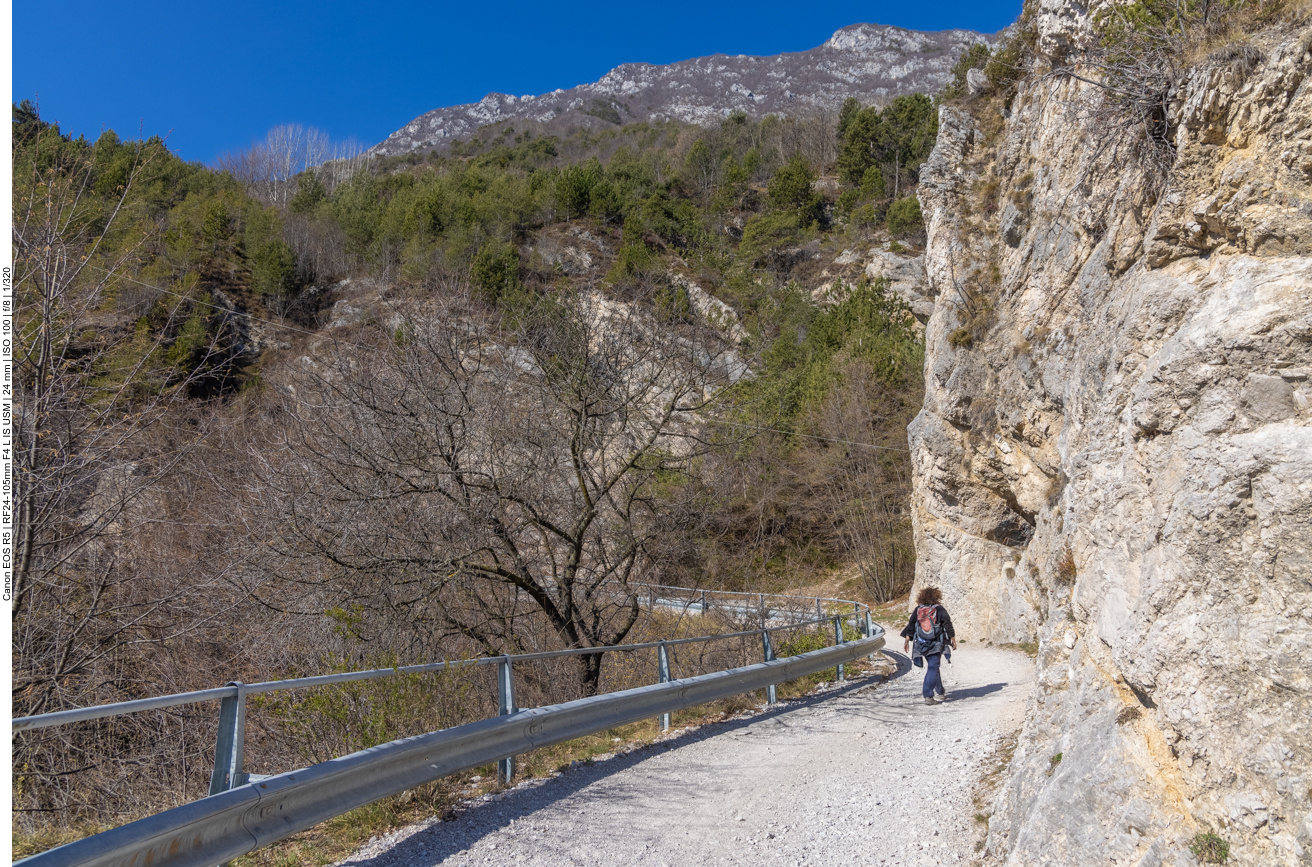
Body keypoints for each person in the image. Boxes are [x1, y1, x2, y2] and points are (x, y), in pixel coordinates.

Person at [901, 587, 957, 705]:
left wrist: (907, 640)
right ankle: (928, 695)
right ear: (937, 597)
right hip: (936, 643)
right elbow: (948, 624)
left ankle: (940, 691)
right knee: (933, 666)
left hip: (922, 643)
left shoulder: (918, 609)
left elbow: (911, 625)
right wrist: (953, 639)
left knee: (933, 666)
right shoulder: (940, 610)